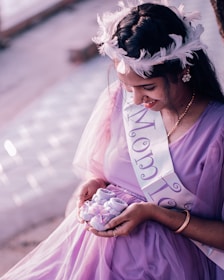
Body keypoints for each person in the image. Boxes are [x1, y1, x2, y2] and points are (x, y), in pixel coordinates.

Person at [1, 1, 224, 279]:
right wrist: (97, 182)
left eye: (148, 87)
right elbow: (106, 170)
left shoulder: (218, 132)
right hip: (87, 257)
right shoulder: (121, 101)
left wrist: (155, 213)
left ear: (182, 71)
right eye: (128, 86)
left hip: (164, 268)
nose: (136, 100)